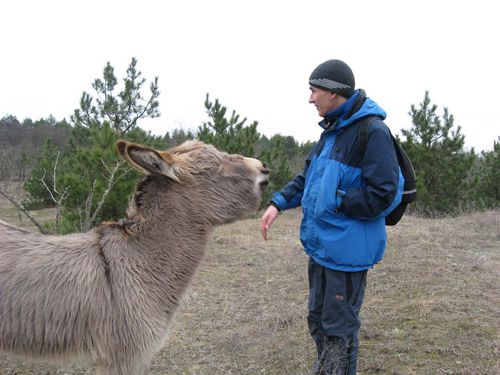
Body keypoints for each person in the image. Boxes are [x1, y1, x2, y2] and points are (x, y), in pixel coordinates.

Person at [260, 59, 404, 375]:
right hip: (322, 248)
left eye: (314, 90)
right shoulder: (332, 130)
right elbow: (308, 176)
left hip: (347, 254)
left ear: (333, 92)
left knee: (339, 331)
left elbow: (383, 194)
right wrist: (278, 203)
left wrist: (335, 196)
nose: (310, 98)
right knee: (317, 320)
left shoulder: (373, 131)